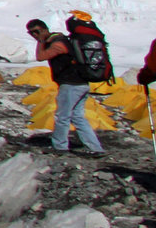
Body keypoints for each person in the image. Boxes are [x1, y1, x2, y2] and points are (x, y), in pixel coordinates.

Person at [28, 18, 104, 155]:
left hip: (71, 85)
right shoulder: (61, 41)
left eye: (37, 31)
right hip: (80, 84)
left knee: (62, 116)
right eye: (31, 33)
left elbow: (41, 56)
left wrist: (41, 41)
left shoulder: (58, 44)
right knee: (77, 117)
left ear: (45, 29)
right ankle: (95, 148)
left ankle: (60, 146)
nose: (35, 35)